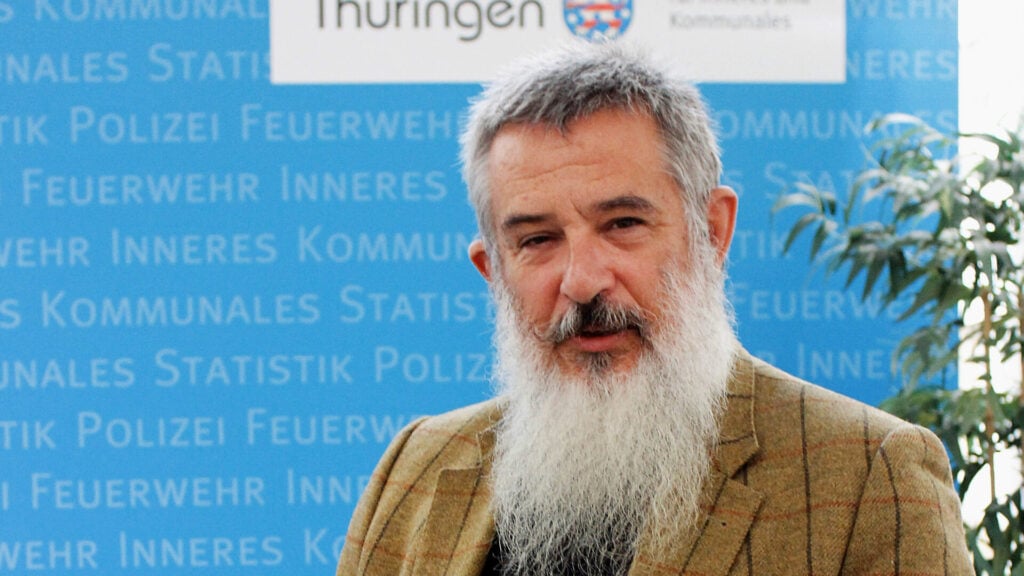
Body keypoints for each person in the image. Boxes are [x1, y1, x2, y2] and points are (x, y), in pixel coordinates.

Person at [336, 42, 972, 576]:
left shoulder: (868, 476)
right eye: (537, 240)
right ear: (493, 272)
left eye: (623, 224)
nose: (582, 282)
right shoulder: (415, 467)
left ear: (712, 232)